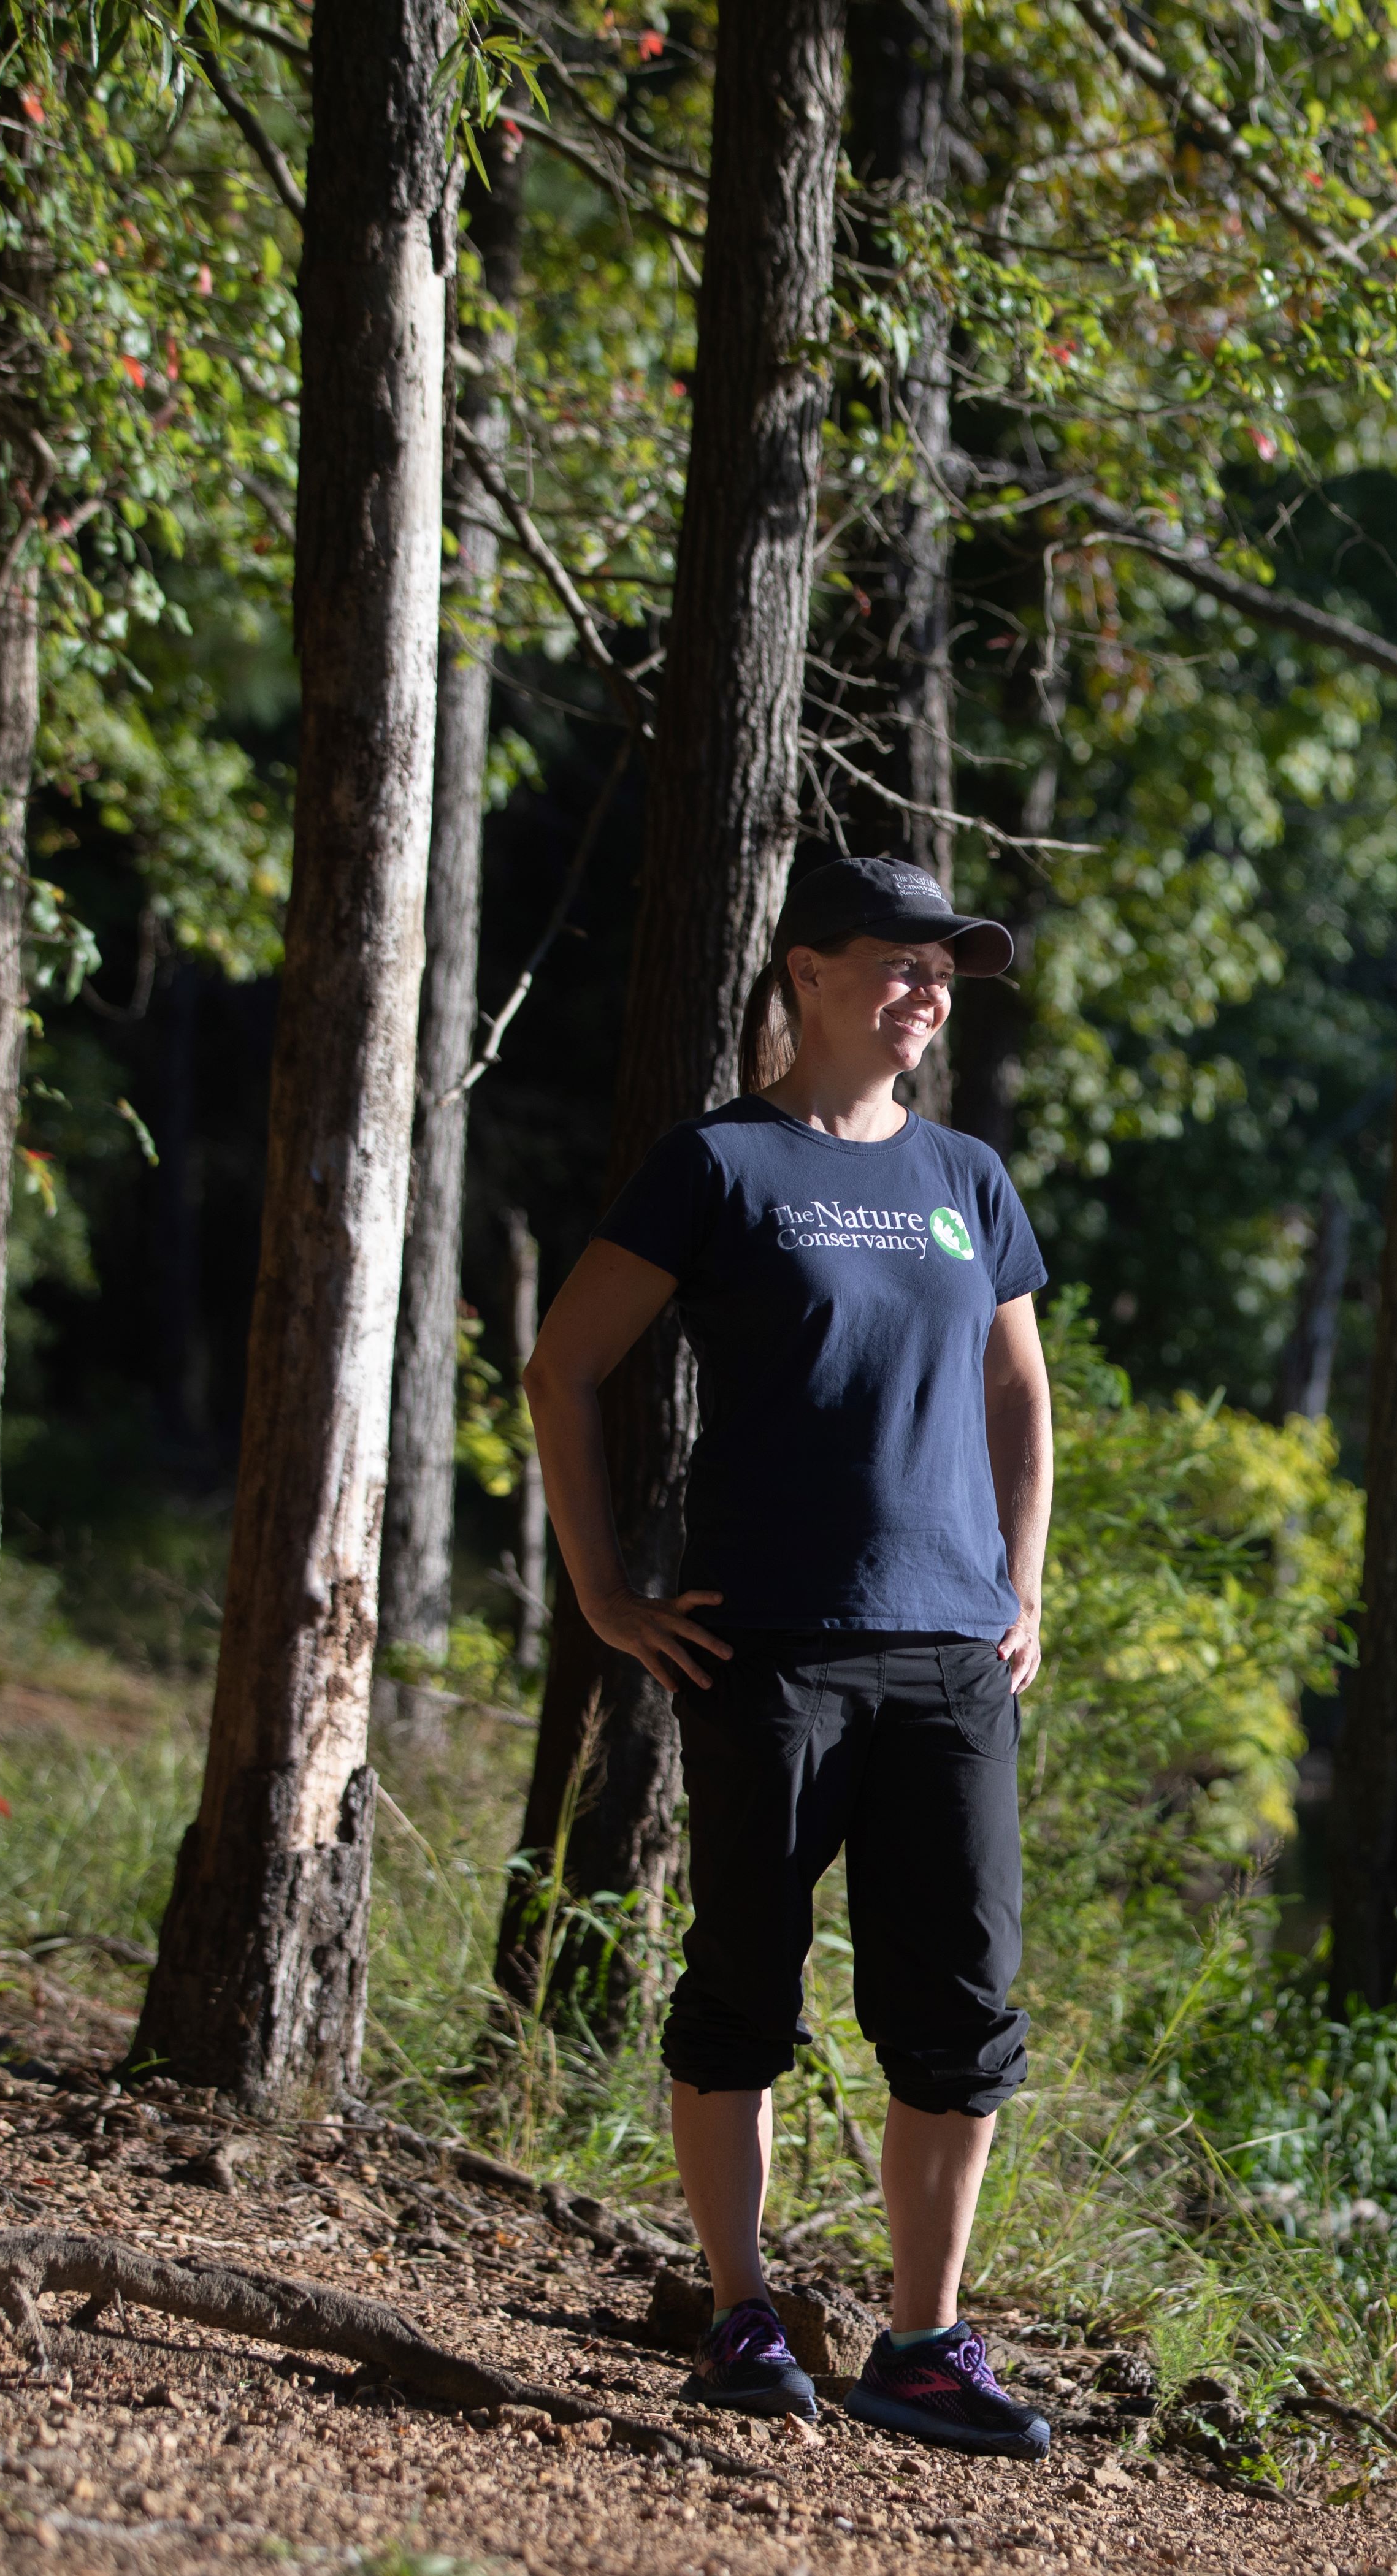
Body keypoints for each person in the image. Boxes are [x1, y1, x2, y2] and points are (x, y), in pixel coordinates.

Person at [522, 852, 1057, 2458]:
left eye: (945, 969)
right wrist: (607, 1594)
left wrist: (1024, 1587)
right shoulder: (721, 1165)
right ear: (806, 972)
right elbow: (563, 1369)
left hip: (953, 1655)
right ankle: (743, 2308)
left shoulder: (969, 1177)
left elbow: (1020, 1395)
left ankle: (921, 2343)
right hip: (765, 1649)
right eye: (898, 960)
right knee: (743, 1983)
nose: (927, 989)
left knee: (961, 2015)